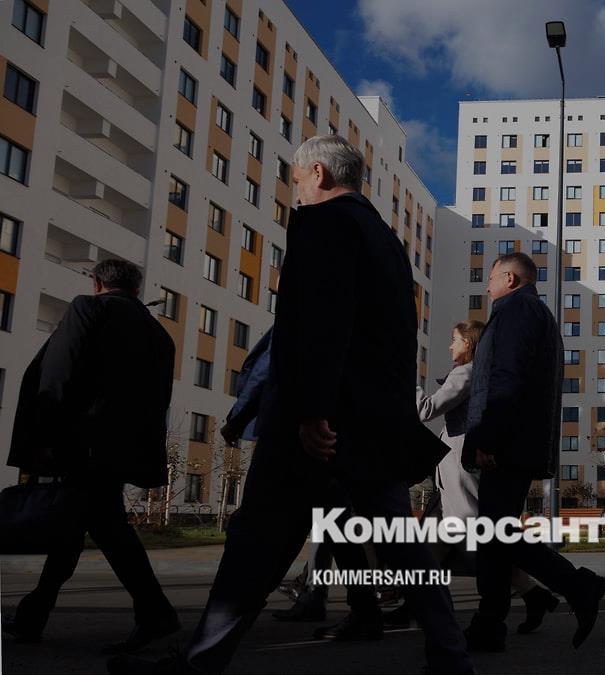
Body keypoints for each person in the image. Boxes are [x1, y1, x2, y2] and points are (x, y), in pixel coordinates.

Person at [108, 135, 472, 674]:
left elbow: (320, 325)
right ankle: (450, 656)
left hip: (320, 424)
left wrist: (310, 409)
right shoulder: (385, 238)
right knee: (398, 543)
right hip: (371, 424)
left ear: (318, 174)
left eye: (296, 181)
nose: (295, 193)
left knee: (256, 540)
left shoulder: (323, 223)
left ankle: (199, 663)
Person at [2, 259, 179, 654]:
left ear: (97, 282)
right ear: (136, 289)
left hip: (80, 443)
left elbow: (58, 372)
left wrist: (43, 435)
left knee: (106, 528)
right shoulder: (158, 334)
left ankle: (156, 613)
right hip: (122, 449)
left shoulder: (89, 308)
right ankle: (33, 615)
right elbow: (158, 400)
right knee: (80, 523)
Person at [461, 252, 605, 652]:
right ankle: (490, 622)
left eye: (491, 277)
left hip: (507, 443)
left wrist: (488, 438)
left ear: (510, 279)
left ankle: (577, 585)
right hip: (517, 441)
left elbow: (505, 379)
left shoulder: (516, 312)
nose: (486, 286)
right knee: (495, 535)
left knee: (496, 532)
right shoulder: (532, 313)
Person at [387, 320, 559, 634]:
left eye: (455, 340)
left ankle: (534, 594)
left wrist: (406, 378)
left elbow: (426, 409)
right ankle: (413, 605)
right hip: (451, 477)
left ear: (468, 343)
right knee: (433, 547)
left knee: (478, 547)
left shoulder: (465, 373)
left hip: (458, 475)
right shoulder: (474, 374)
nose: (450, 346)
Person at [219, 327, 382, 640]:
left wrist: (238, 417)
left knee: (261, 526)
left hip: (294, 429)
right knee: (331, 522)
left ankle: (229, 621)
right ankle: (356, 607)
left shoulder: (304, 307)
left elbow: (270, 366)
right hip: (328, 427)